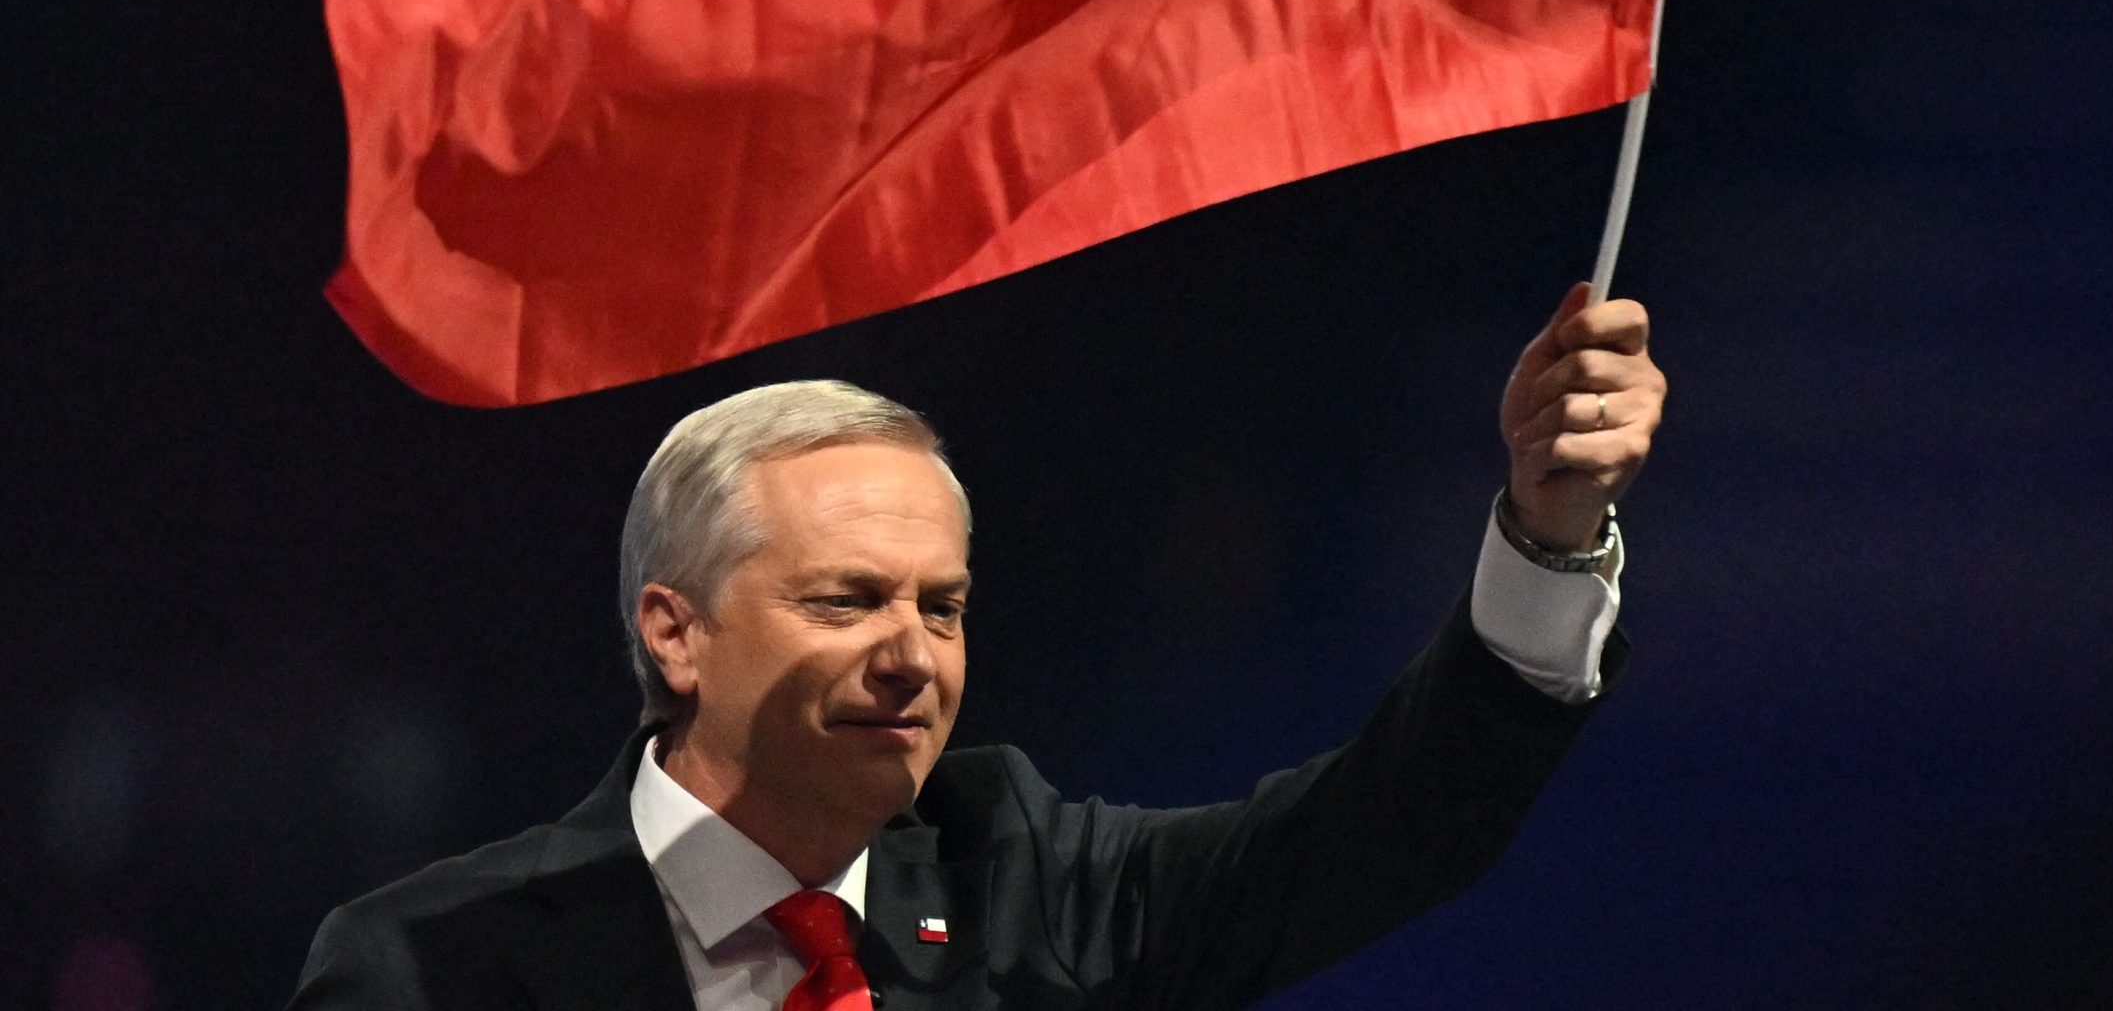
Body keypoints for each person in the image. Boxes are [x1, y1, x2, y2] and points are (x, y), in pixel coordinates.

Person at [287, 283, 1665, 1010]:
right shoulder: (428, 968)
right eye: (846, 602)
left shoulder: (1026, 880)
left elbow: (1393, 828)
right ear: (677, 633)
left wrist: (1547, 538)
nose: (913, 656)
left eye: (940, 607)